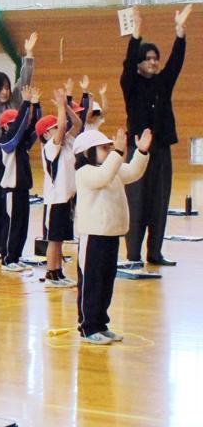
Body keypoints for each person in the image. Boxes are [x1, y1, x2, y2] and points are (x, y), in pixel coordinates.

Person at [120, 4, 191, 267]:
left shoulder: (163, 82)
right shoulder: (131, 84)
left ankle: (155, 252)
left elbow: (176, 62)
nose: (153, 62)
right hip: (138, 151)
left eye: (155, 58)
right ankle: (133, 255)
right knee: (137, 202)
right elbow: (127, 64)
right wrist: (136, 34)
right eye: (148, 58)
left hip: (161, 150)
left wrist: (180, 31)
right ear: (139, 63)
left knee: (159, 202)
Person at [73, 127, 152, 343]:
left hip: (110, 235)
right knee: (92, 282)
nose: (108, 151)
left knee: (106, 282)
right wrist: (117, 153)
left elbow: (133, 172)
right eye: (103, 148)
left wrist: (141, 152)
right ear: (87, 152)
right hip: (93, 237)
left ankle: (101, 324)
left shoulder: (112, 168)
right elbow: (103, 176)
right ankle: (88, 327)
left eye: (110, 147)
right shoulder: (86, 172)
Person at [0, 31, 36, 252]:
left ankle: (6, 246)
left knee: (8, 205)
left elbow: (25, 83)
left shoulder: (13, 101)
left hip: (11, 158)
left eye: (6, 87)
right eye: (0, 87)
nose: (5, 91)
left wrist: (29, 56)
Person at [40, 87, 81, 288]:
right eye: (56, 127)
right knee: (53, 240)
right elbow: (65, 125)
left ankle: (59, 272)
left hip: (67, 199)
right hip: (55, 200)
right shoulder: (50, 147)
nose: (61, 128)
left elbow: (78, 124)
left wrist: (66, 106)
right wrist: (60, 107)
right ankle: (51, 273)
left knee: (61, 239)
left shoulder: (67, 142)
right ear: (47, 133)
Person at [0, 86, 40, 271]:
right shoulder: (7, 142)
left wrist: (36, 105)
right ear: (6, 126)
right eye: (13, 123)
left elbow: (36, 128)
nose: (19, 127)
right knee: (12, 225)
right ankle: (7, 259)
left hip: (23, 190)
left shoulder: (21, 143)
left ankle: (16, 255)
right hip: (11, 191)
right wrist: (25, 103)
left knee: (22, 225)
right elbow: (18, 129)